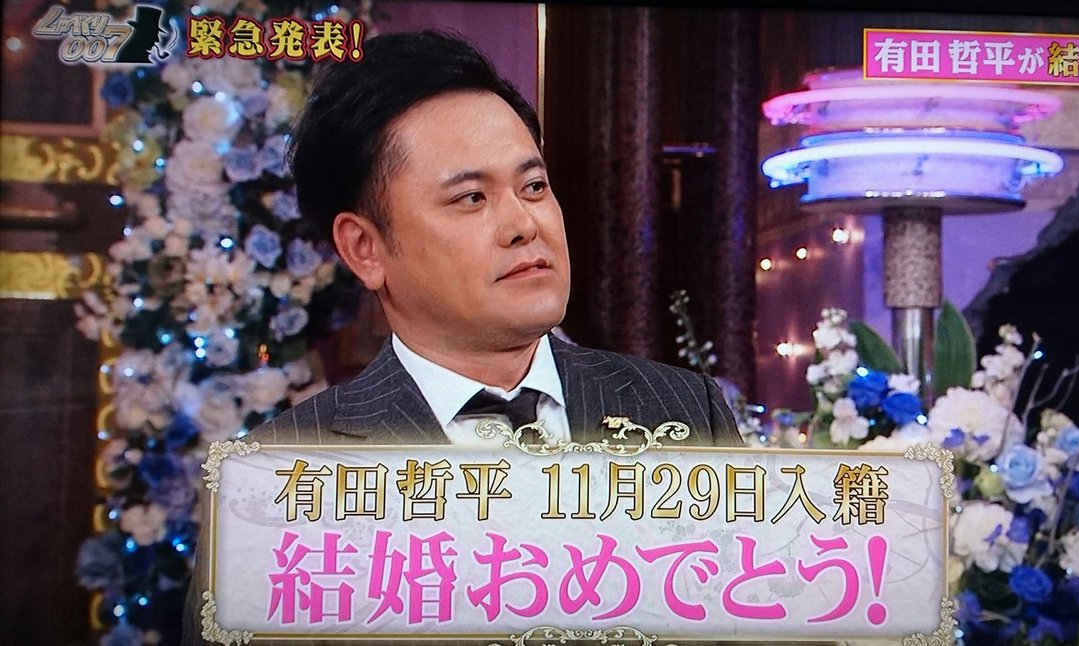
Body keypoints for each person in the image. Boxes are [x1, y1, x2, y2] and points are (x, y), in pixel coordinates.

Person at [183, 30, 742, 643]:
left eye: (534, 187)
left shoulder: (685, 411)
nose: (523, 224)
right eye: (471, 197)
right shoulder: (274, 483)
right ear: (365, 248)